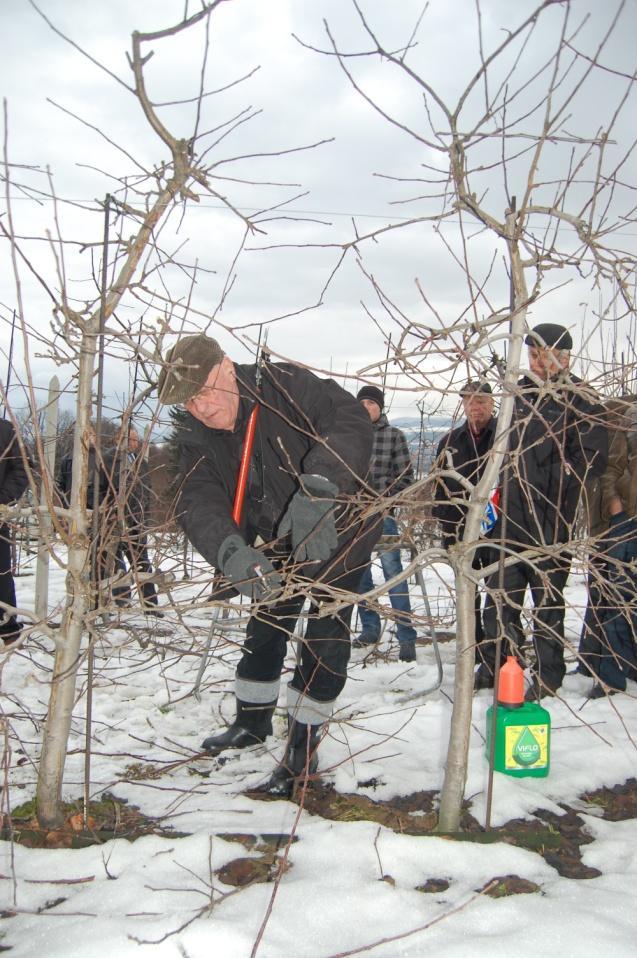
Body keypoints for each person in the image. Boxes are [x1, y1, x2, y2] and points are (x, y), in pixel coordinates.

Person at [157, 334, 379, 797]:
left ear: (227, 367)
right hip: (275, 531)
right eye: (188, 401)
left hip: (342, 519)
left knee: (324, 628)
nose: (200, 407)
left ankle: (302, 748)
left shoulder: (285, 386)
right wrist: (230, 551)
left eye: (203, 392)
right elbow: (197, 499)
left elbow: (350, 421)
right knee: (267, 620)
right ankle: (252, 722)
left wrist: (319, 486)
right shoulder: (199, 436)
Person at [474, 323, 608, 699]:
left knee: (546, 604)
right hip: (507, 522)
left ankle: (548, 677)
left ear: (564, 357)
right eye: (532, 355)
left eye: (544, 355)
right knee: (499, 601)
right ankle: (500, 668)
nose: (537, 363)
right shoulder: (519, 394)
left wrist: (552, 476)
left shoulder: (581, 398)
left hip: (551, 522)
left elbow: (591, 460)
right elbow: (499, 450)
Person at [353, 385, 419, 662]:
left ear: (380, 407)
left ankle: (406, 636)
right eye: (362, 402)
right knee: (359, 575)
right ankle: (370, 628)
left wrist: (382, 501)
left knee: (394, 575)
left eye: (371, 403)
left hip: (384, 517)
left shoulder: (394, 437)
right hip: (353, 519)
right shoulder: (350, 437)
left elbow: (405, 479)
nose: (366, 407)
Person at [432, 380, 497, 650]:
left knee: (496, 592)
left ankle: (495, 647)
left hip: (496, 529)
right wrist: (448, 533)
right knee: (468, 594)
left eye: (480, 401)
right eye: (469, 401)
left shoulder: (505, 436)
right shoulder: (449, 442)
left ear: (492, 404)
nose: (475, 407)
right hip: (460, 528)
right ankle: (472, 643)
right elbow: (440, 490)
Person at [579, 399, 637, 697]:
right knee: (616, 598)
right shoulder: (631, 416)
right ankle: (611, 677)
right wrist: (616, 507)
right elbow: (611, 467)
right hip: (628, 522)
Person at [102, 424, 161, 614]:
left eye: (136, 439)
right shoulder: (109, 459)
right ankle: (121, 601)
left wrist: (145, 515)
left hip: (138, 520)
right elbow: (104, 488)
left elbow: (145, 490)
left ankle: (150, 604)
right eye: (130, 439)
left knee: (142, 562)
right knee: (115, 562)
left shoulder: (139, 461)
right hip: (116, 520)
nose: (134, 443)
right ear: (118, 439)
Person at [0, 419, 29, 643]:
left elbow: (23, 468)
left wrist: (3, 500)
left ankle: (8, 628)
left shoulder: (6, 430)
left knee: (1, 574)